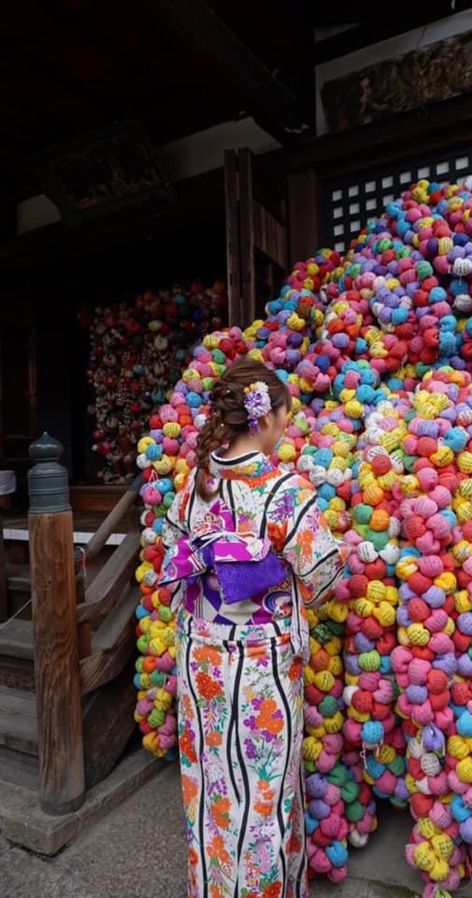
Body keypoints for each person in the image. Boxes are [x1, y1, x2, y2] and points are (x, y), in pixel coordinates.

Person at [160, 357, 347, 898]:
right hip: (260, 661)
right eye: (285, 418)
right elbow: (321, 574)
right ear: (263, 420)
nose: (286, 428)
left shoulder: (196, 482)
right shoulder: (284, 490)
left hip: (201, 654)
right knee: (263, 789)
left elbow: (174, 562)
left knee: (212, 782)